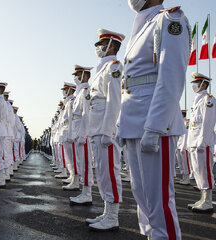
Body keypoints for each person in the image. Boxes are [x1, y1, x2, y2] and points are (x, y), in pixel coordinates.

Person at [116, 0, 190, 239]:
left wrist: (155, 127)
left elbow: (171, 79)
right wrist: (121, 124)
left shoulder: (168, 20)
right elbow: (129, 85)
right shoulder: (142, 25)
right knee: (143, 199)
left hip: (153, 125)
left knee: (158, 203)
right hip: (134, 124)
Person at [85, 29, 124, 231]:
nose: (98, 48)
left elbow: (115, 100)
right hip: (96, 127)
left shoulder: (114, 67)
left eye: (101, 45)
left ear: (111, 46)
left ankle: (113, 216)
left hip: (105, 128)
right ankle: (107, 212)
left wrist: (109, 130)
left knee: (110, 171)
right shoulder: (101, 69)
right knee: (101, 172)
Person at [187, 72, 216, 213]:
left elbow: (208, 123)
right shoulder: (196, 100)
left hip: (202, 142)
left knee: (205, 171)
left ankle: (208, 201)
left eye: (197, 83)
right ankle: (202, 198)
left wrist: (202, 142)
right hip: (194, 141)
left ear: (204, 84)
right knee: (198, 171)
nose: (194, 85)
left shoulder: (208, 99)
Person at [65, 65, 94, 202]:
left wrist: (84, 133)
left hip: (83, 131)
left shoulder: (86, 91)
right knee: (80, 162)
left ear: (85, 76)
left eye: (78, 75)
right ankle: (83, 190)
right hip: (77, 130)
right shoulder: (78, 93)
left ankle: (87, 193)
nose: (75, 78)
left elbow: (86, 113)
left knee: (86, 163)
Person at [175, 110, 191, 185]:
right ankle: (183, 178)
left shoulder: (186, 123)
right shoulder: (179, 123)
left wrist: (184, 146)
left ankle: (187, 178)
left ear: (182, 115)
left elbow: (185, 135)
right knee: (180, 163)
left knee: (185, 163)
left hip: (183, 146)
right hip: (178, 145)